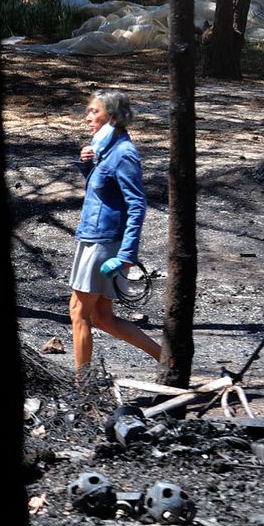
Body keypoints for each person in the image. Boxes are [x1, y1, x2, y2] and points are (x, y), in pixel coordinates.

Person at [68, 89, 161, 373]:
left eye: (94, 112)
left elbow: (137, 204)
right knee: (103, 318)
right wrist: (87, 166)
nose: (88, 119)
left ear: (113, 115)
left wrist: (127, 254)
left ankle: (82, 388)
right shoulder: (106, 147)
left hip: (104, 243)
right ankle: (169, 361)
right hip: (94, 237)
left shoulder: (123, 153)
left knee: (78, 312)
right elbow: (104, 193)